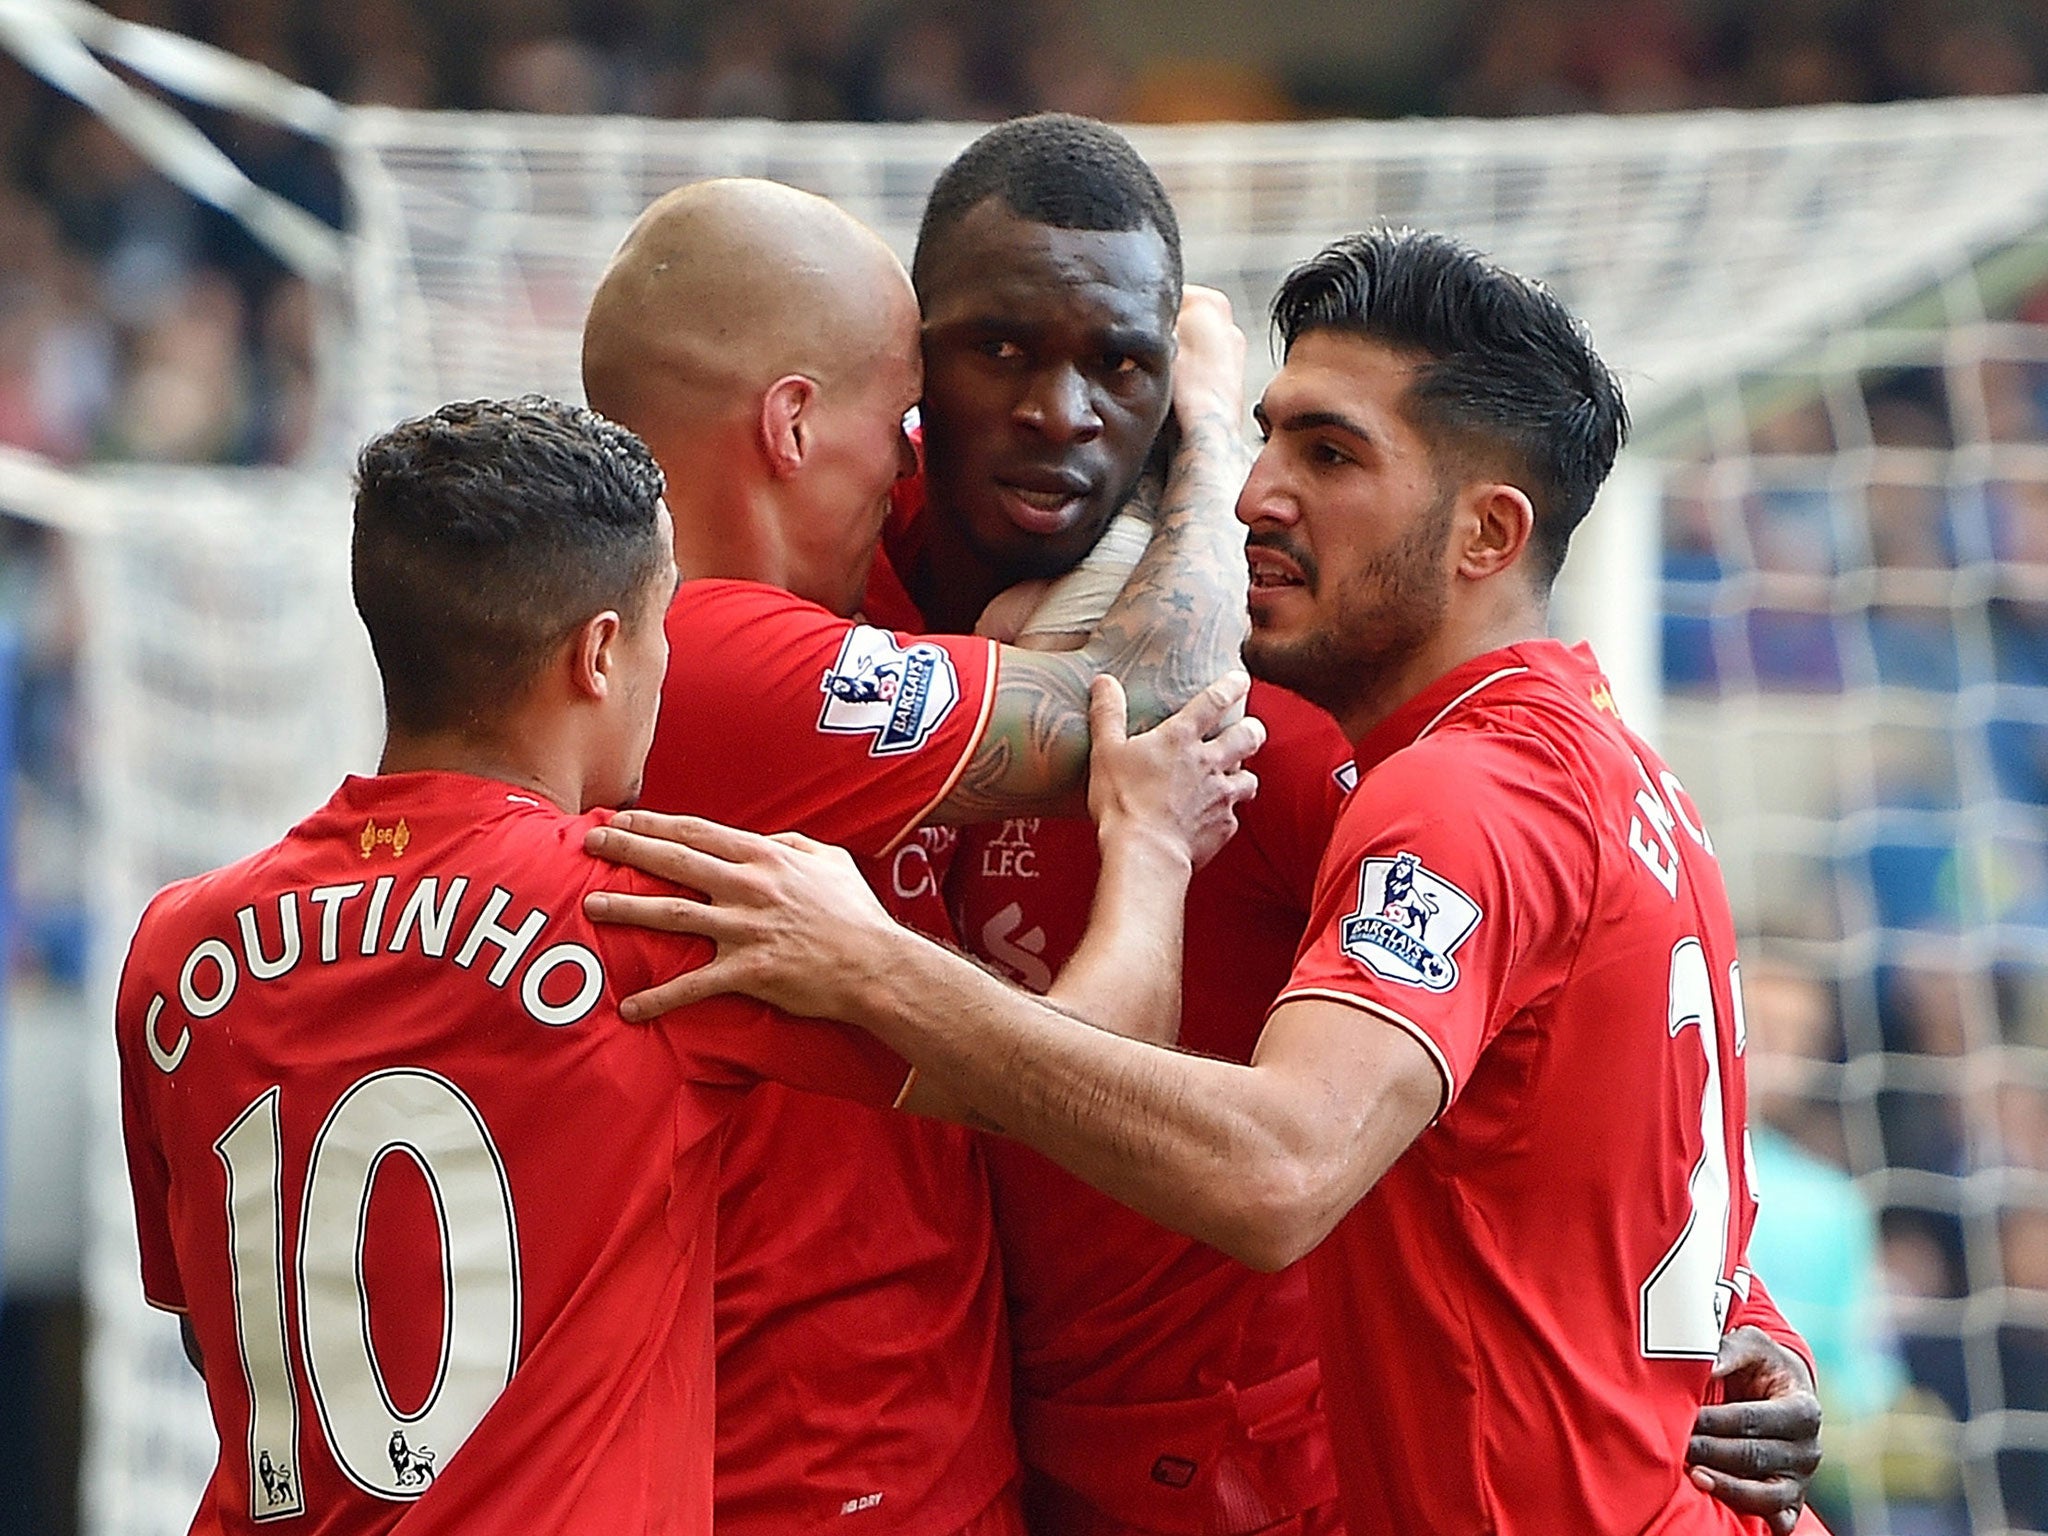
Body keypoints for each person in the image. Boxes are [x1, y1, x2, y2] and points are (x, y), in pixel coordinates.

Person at [583, 228, 1832, 1535]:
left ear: (1487, 532)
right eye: (1265, 437)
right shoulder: (1622, 778)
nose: (1254, 496)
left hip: (1240, 1466)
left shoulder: (1399, 780)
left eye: (1328, 455)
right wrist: (1737, 1319)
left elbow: (1283, 1164)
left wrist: (875, 965)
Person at [578, 131, 1250, 1536]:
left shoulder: (736, 618)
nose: (1044, 416)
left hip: (899, 1431)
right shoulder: (710, 660)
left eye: (1107, 371)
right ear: (790, 427)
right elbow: (1153, 711)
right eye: (914, 412)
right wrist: (1217, 424)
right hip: (818, 1457)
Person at [112, 397, 925, 1534]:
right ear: (598, 652)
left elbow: (217, 1338)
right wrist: (1146, 847)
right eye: (661, 625)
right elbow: (1064, 1067)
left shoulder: (173, 949)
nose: (669, 656)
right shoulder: (650, 920)